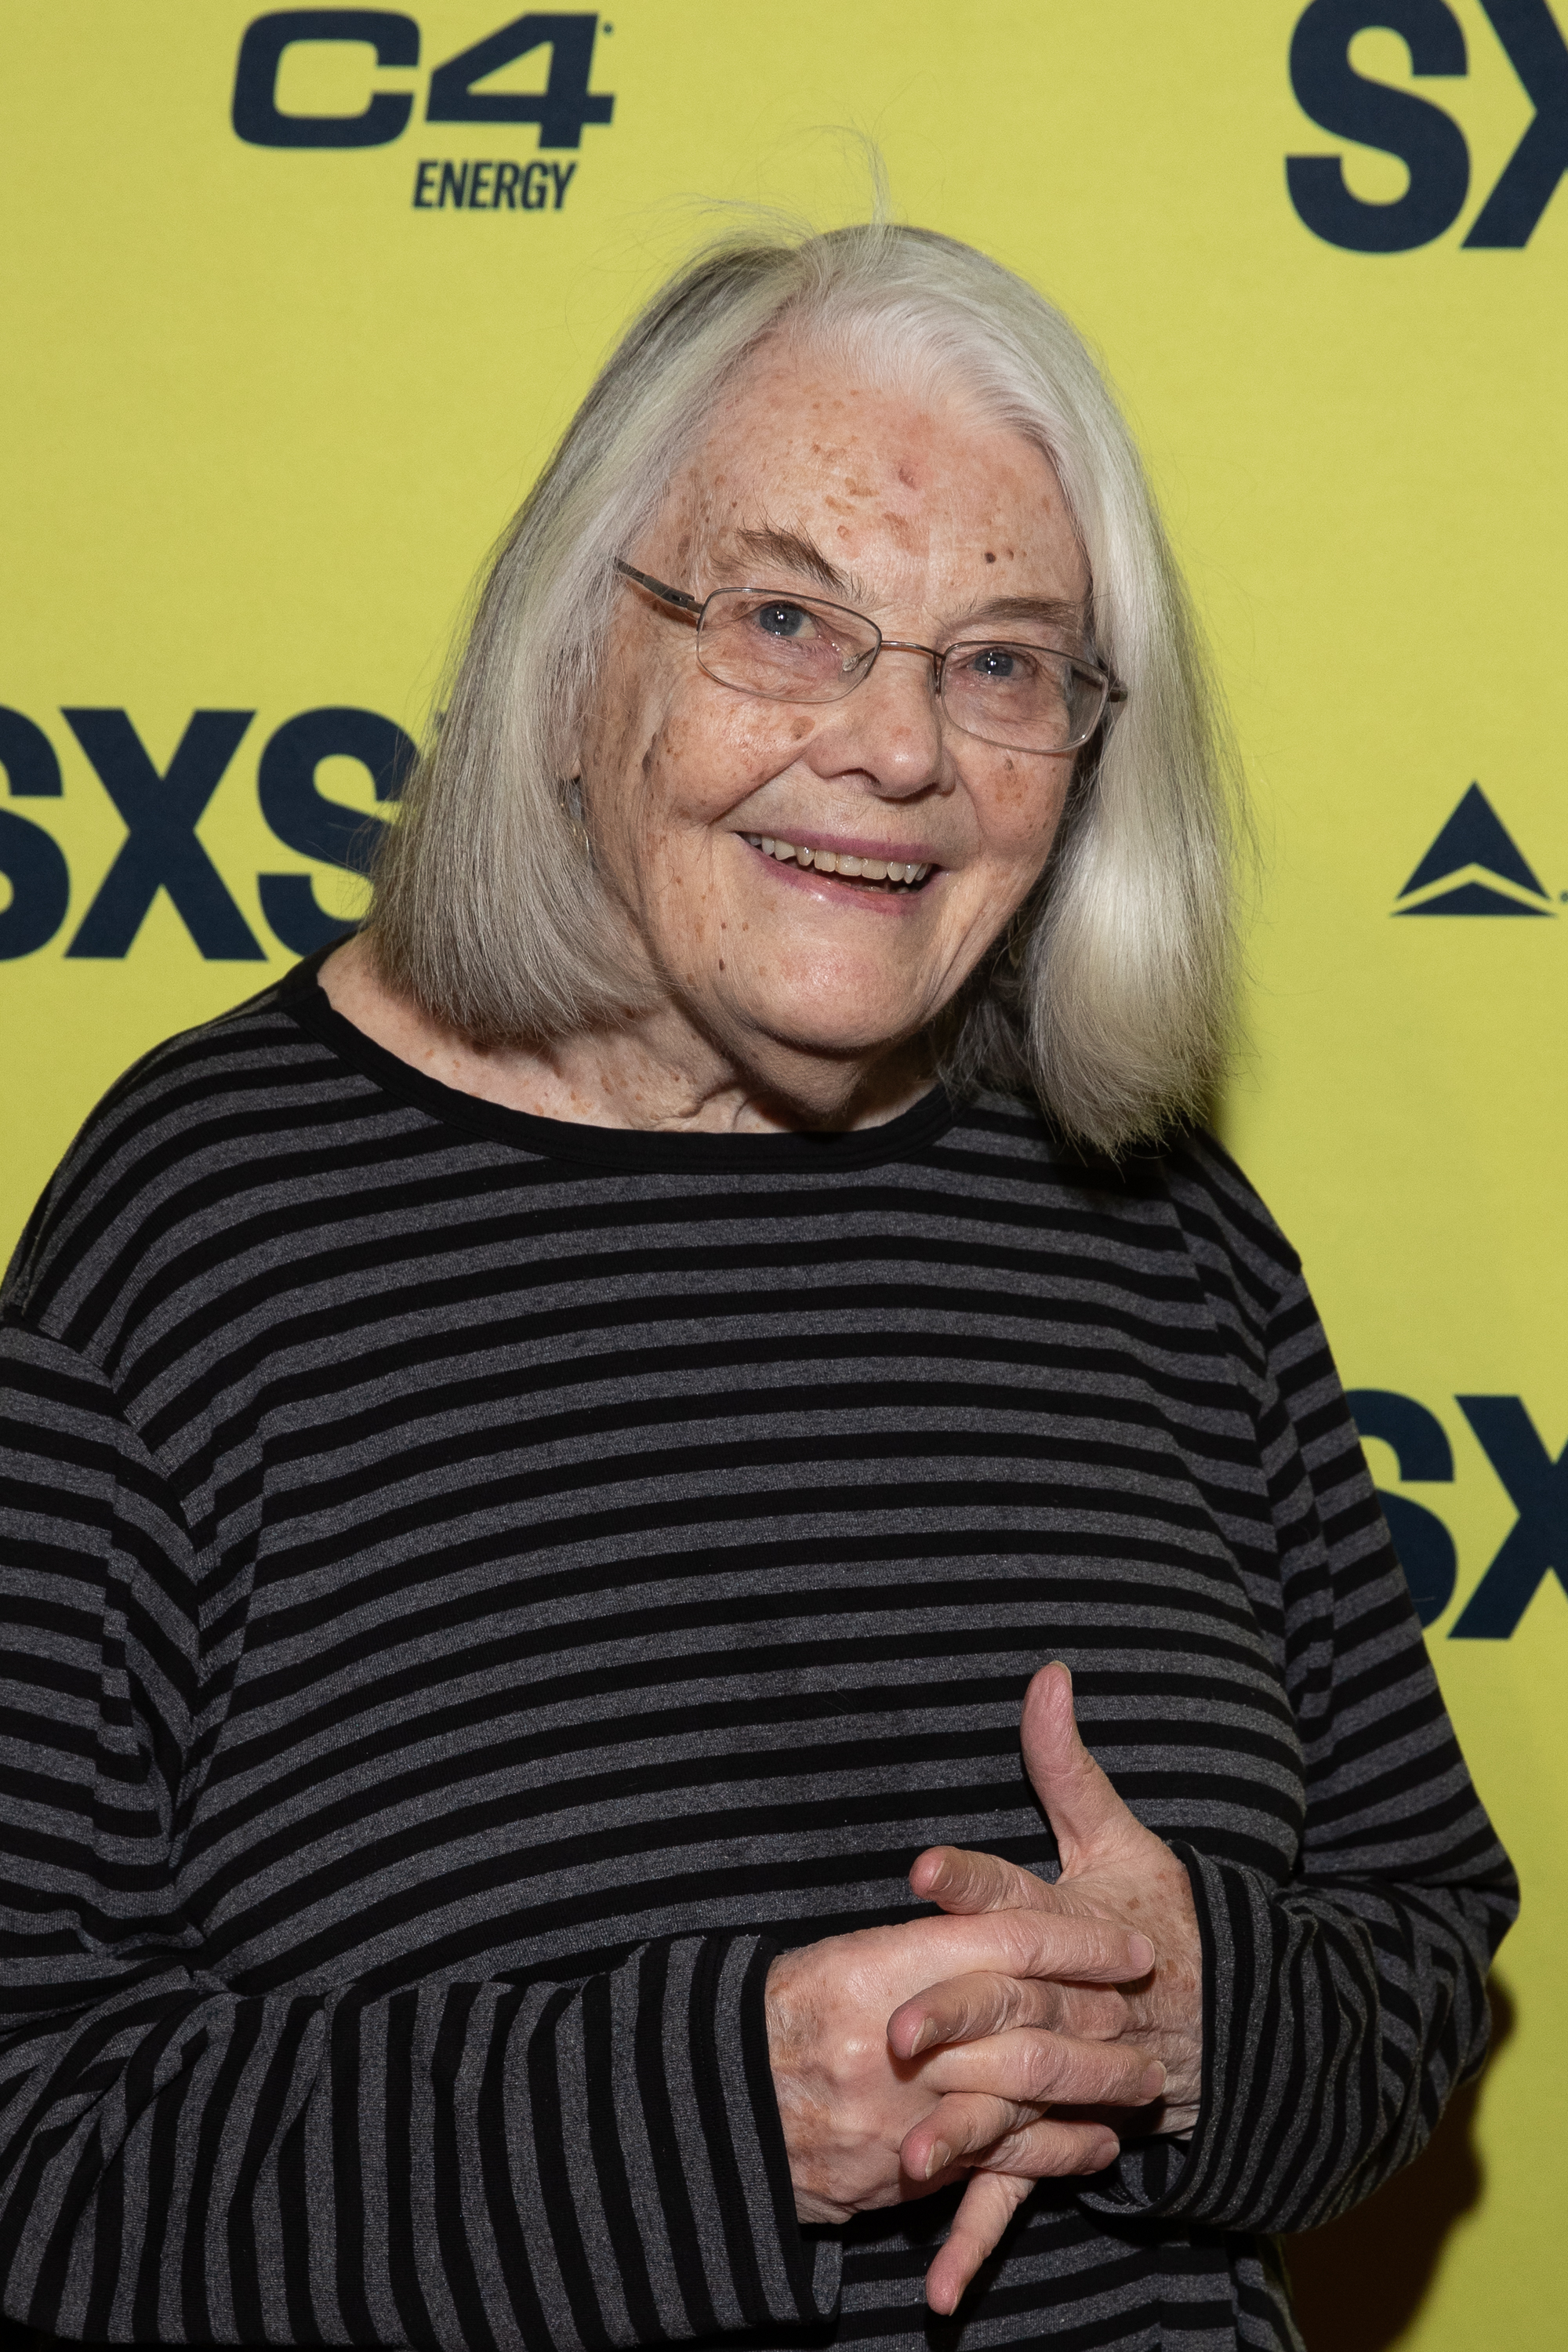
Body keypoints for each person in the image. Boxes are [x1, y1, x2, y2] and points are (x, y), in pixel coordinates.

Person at [0, 220, 1515, 2352]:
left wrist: (1196, 2024)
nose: (898, 750)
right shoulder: (205, 1224)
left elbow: (1420, 1935)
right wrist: (718, 2120)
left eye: (1002, 663)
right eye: (788, 619)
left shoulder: (1157, 1215)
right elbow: (35, 2137)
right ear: (568, 667)